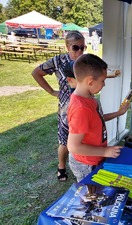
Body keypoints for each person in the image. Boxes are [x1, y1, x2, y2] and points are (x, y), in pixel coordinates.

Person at [32, 30, 86, 181]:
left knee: (82, 136)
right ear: (67, 46)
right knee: (65, 140)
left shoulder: (85, 60)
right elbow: (36, 73)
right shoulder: (57, 61)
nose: (80, 51)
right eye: (76, 48)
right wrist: (51, 91)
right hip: (67, 107)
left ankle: (82, 165)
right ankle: (61, 167)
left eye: (83, 47)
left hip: (84, 103)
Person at [67, 53, 130, 182]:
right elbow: (73, 146)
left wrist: (118, 113)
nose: (104, 84)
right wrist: (105, 152)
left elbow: (97, 120)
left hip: (95, 157)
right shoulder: (81, 109)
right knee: (91, 193)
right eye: (103, 81)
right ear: (90, 81)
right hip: (85, 163)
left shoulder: (89, 98)